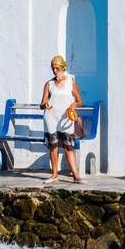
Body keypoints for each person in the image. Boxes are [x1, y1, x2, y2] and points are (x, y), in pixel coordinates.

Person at [40, 54, 84, 184]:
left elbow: (80, 101)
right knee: (53, 147)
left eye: (57, 68)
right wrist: (45, 105)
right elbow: (42, 104)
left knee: (68, 147)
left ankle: (76, 176)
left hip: (66, 119)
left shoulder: (71, 81)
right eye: (53, 68)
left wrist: (74, 104)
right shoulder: (49, 84)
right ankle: (54, 175)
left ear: (63, 68)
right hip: (51, 118)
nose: (55, 71)